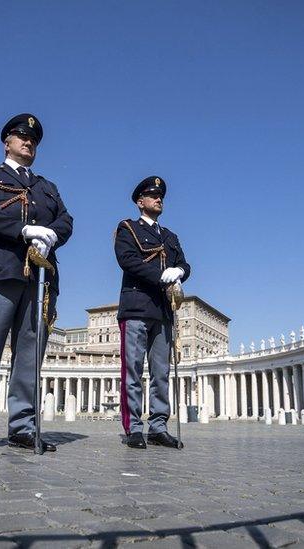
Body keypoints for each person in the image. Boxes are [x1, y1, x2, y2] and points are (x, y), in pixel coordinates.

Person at [0, 113, 73, 453]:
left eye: (34, 140)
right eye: (21, 136)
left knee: (30, 355)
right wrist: (22, 229)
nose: (29, 142)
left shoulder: (47, 187)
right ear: (6, 142)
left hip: (39, 277)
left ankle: (23, 425)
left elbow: (66, 219)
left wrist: (53, 234)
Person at [114, 176, 191, 449]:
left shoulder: (170, 236)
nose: (159, 199)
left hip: (163, 311)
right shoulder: (127, 229)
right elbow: (128, 261)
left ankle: (158, 426)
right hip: (136, 306)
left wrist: (179, 271)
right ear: (140, 201)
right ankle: (133, 427)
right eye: (153, 195)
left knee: (161, 373)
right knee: (132, 371)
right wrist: (162, 275)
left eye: (161, 196)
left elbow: (184, 263)